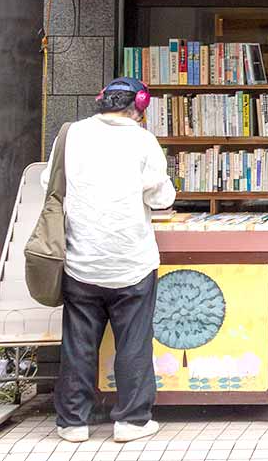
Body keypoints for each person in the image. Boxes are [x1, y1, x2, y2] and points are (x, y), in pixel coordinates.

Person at [44, 77, 175, 444]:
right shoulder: (143, 141)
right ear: (139, 107)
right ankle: (132, 421)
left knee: (79, 343)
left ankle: (73, 422)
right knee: (133, 342)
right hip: (131, 261)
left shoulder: (71, 135)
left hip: (81, 259)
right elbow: (161, 198)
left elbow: (48, 183)